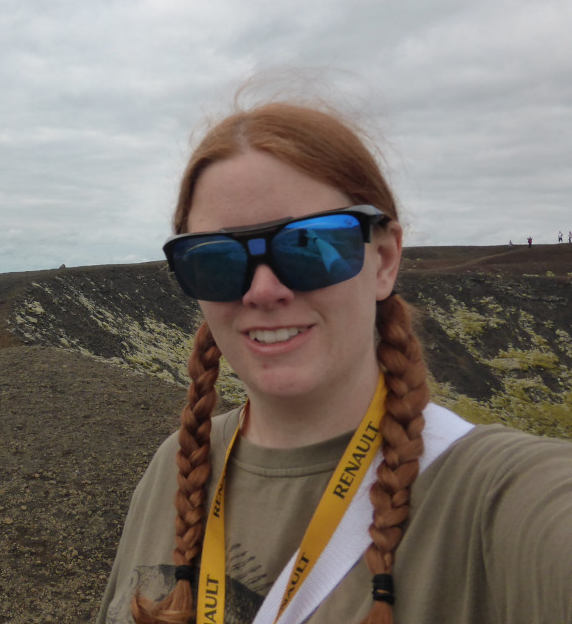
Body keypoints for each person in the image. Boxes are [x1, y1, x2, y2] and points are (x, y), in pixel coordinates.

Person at [96, 98, 572, 624]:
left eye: (310, 246)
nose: (264, 290)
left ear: (384, 260)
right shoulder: (174, 467)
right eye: (216, 259)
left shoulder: (493, 498)